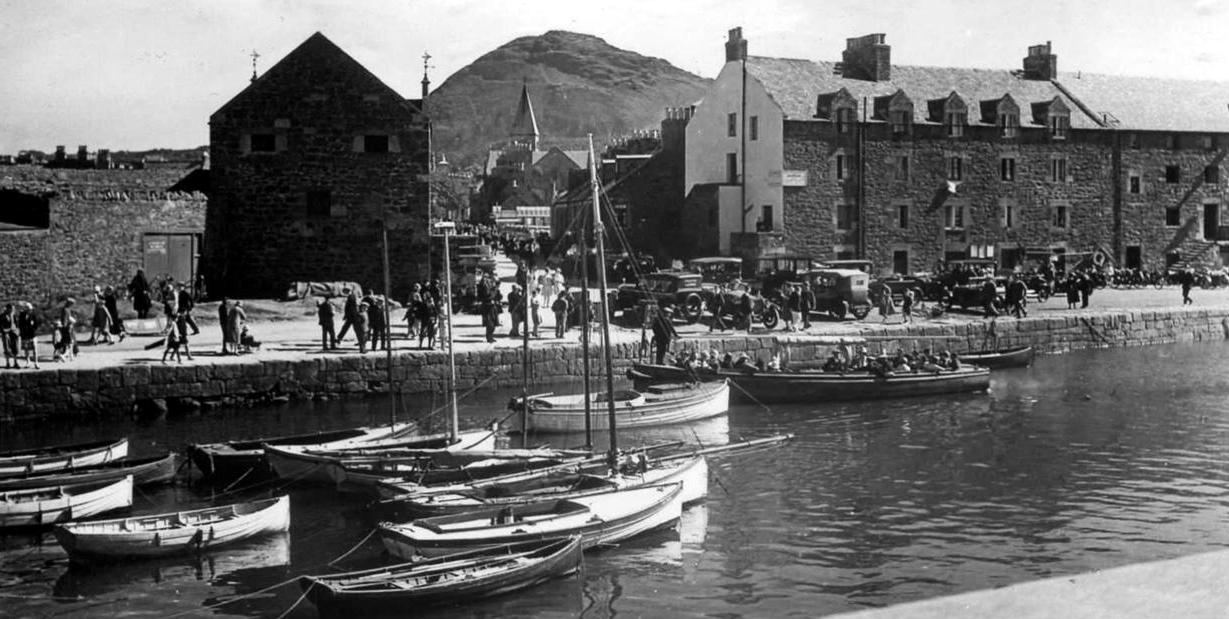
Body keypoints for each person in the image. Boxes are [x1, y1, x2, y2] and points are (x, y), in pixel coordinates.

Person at [17, 302, 40, 369]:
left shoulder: (33, 315)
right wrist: (22, 332)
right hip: (25, 335)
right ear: (26, 309)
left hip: (32, 334)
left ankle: (36, 362)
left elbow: (36, 325)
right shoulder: (22, 314)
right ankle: (28, 362)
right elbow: (20, 324)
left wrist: (33, 328)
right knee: (26, 349)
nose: (30, 310)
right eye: (28, 309)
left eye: (30, 309)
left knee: (35, 349)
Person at [0, 304, 17, 369]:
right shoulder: (2, 316)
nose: (13, 310)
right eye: (12, 308)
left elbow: (16, 323)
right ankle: (8, 363)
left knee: (15, 348)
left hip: (13, 333)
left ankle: (15, 363)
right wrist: (4, 331)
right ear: (8, 309)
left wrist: (16, 331)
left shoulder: (13, 315)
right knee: (7, 349)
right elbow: (1, 326)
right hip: (6, 334)